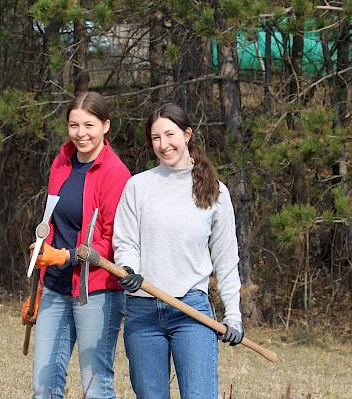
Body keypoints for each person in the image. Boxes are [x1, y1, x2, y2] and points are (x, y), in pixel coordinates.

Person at [112, 103, 244, 399]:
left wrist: (233, 315)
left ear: (187, 134)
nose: (163, 144)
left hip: (192, 312)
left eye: (169, 134)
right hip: (142, 311)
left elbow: (226, 259)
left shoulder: (216, 192)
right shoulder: (138, 186)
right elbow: (126, 242)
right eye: (155, 138)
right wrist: (129, 269)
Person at [21, 92, 131, 399]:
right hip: (55, 288)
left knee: (95, 387)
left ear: (106, 126)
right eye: (74, 125)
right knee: (44, 386)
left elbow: (113, 240)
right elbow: (51, 223)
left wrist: (66, 256)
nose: (81, 133)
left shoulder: (115, 173)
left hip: (95, 292)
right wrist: (40, 282)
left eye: (89, 125)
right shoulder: (62, 162)